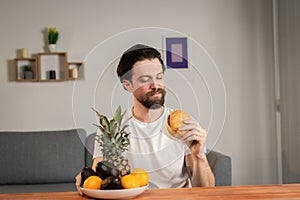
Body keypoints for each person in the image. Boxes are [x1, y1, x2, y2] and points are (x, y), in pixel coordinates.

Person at [76, 44, 215, 194]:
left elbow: (206, 190)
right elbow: (101, 179)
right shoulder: (112, 128)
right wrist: (88, 178)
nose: (155, 85)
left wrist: (199, 156)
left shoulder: (182, 125)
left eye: (159, 77)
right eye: (145, 79)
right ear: (128, 86)